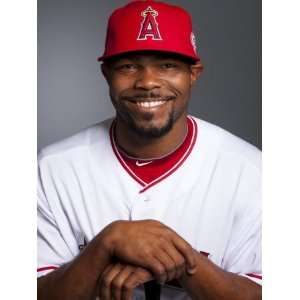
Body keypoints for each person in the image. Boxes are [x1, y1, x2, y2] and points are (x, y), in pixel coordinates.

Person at [37, 1, 262, 299]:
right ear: (106, 74)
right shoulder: (51, 169)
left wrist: (181, 262)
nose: (148, 82)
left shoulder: (253, 172)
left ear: (193, 73)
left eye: (167, 65)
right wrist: (106, 245)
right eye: (129, 66)